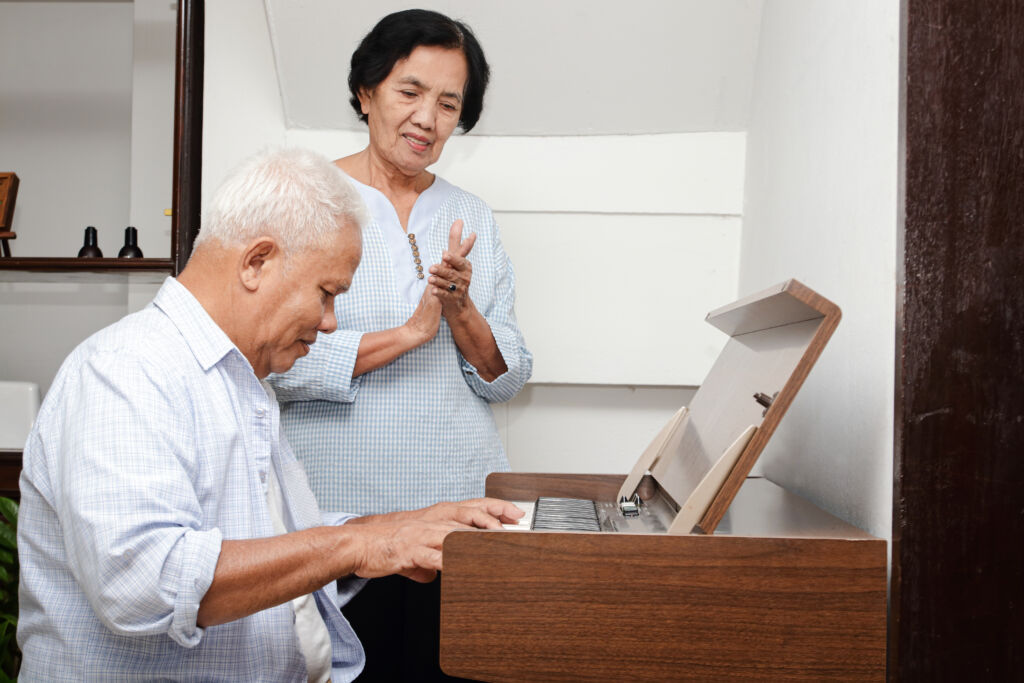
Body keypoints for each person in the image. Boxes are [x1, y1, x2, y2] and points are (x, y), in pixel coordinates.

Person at [16, 147, 523, 682]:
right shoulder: (125, 371)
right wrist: (358, 543)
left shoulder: (237, 378)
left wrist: (394, 527)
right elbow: (146, 582)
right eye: (327, 294)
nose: (330, 323)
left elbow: (275, 535)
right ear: (257, 263)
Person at [265, 10, 533, 679]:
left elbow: (505, 375)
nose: (427, 118)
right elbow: (277, 361)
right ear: (366, 92)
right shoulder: (305, 198)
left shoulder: (473, 215)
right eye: (409, 92)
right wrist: (411, 333)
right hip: (339, 519)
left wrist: (462, 310)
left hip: (458, 520)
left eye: (448, 103)